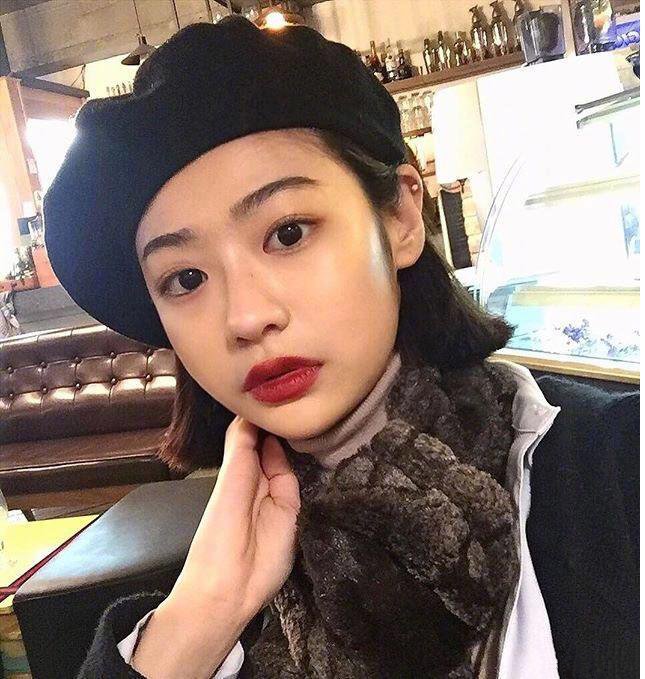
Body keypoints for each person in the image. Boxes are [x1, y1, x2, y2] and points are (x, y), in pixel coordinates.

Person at [43, 16, 638, 679]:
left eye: (288, 233)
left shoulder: (611, 471)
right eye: (185, 279)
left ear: (401, 218)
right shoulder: (235, 572)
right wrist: (201, 616)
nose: (246, 316)